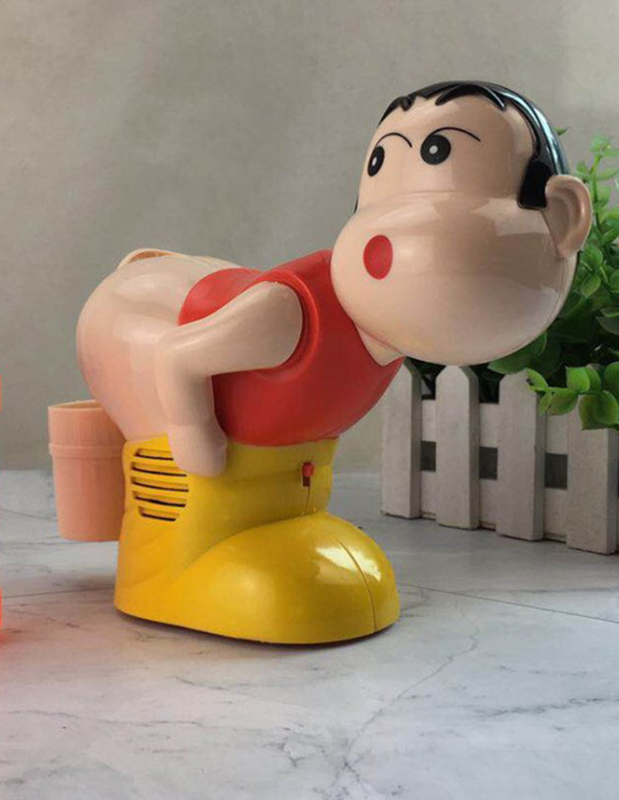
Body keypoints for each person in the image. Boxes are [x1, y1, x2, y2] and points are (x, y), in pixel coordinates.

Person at [76, 81, 591, 643]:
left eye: (437, 153)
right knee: (199, 484)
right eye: (382, 162)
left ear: (565, 215)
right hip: (133, 319)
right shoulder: (294, 313)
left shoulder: (389, 332)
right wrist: (190, 430)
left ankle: (270, 531)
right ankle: (167, 571)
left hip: (276, 479)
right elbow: (178, 356)